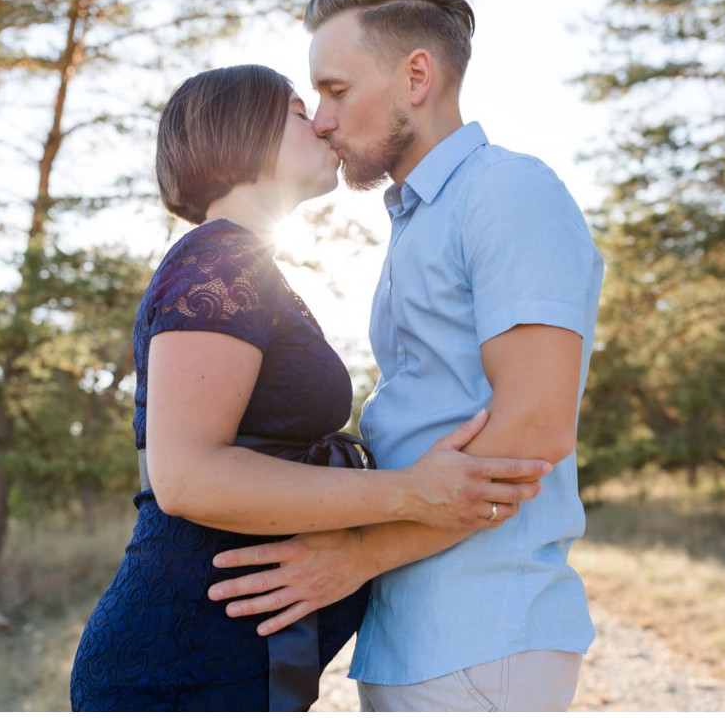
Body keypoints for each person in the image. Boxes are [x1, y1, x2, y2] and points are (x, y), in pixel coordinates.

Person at [68, 64, 552, 711]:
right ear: (243, 132)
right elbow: (185, 476)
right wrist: (412, 493)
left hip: (226, 665)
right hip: (176, 673)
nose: (323, 122)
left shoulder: (248, 263)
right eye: (300, 111)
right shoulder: (217, 260)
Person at [206, 0, 606, 712]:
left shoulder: (507, 191)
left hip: (485, 630)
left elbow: (536, 426)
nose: (321, 120)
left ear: (416, 75)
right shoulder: (421, 218)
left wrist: (358, 557)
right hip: (415, 633)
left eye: (334, 89)